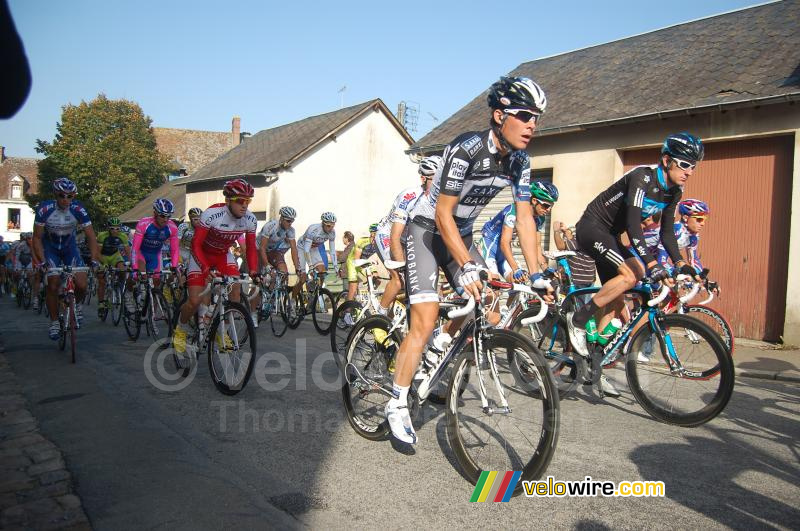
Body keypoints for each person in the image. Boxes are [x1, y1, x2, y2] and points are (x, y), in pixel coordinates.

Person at [385, 76, 548, 444]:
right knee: (424, 320)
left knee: (489, 304)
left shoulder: (520, 161)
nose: (532, 124)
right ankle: (396, 402)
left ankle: (441, 349)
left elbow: (525, 219)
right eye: (524, 115)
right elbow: (443, 215)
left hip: (462, 233)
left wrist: (537, 273)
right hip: (427, 231)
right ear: (499, 115)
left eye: (537, 117)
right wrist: (469, 263)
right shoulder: (467, 149)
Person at [568, 133, 705, 392]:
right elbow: (633, 225)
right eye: (684, 164)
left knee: (620, 296)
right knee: (634, 274)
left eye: (693, 166)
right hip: (592, 228)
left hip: (610, 235)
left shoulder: (675, 191)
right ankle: (577, 319)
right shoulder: (642, 177)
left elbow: (666, 232)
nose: (689, 171)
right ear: (667, 160)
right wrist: (653, 263)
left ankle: (593, 360)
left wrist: (679, 264)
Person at [172, 179, 259, 362]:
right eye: (240, 201)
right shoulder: (212, 214)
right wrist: (205, 267)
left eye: (248, 201)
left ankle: (222, 332)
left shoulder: (250, 219)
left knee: (235, 291)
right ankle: (180, 328)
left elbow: (251, 248)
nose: (245, 205)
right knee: (195, 300)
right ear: (228, 200)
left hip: (222, 256)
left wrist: (254, 271)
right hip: (201, 256)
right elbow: (196, 245)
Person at [372, 156, 440, 316]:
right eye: (434, 180)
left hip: (409, 240)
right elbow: (395, 236)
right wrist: (402, 266)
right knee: (399, 279)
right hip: (387, 235)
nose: (438, 185)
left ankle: (397, 316)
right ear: (423, 178)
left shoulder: (439, 200)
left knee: (420, 285)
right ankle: (378, 317)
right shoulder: (410, 196)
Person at [32, 178, 100, 338]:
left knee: (82, 285)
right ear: (56, 194)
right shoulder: (44, 209)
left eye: (70, 196)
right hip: (51, 249)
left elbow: (91, 237)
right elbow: (36, 238)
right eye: (62, 195)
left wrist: (95, 259)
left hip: (70, 249)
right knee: (53, 284)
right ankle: (55, 322)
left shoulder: (78, 209)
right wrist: (41, 261)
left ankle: (75, 306)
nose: (66, 200)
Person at [479, 180, 558, 284]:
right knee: (494, 284)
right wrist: (516, 269)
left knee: (519, 281)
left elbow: (536, 246)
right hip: (490, 244)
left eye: (551, 207)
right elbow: (504, 243)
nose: (548, 210)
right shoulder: (513, 211)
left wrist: (545, 268)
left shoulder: (539, 219)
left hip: (504, 250)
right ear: (534, 200)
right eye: (546, 205)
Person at [95, 217, 130, 315]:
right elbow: (97, 252)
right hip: (103, 256)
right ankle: (101, 303)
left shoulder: (123, 236)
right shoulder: (102, 236)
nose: (115, 231)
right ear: (108, 228)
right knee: (101, 279)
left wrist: (132, 262)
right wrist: (103, 264)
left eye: (117, 228)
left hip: (115, 256)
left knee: (123, 269)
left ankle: (120, 287)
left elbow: (128, 251)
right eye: (112, 228)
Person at [553, 222, 597, 289]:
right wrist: (566, 231)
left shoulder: (582, 241)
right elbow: (569, 241)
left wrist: (556, 231)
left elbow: (560, 246)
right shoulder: (591, 238)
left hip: (580, 280)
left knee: (578, 299)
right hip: (587, 279)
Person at [297, 212, 338, 277]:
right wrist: (310, 266)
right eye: (328, 226)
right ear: (323, 223)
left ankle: (316, 287)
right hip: (303, 247)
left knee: (321, 272)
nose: (330, 228)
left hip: (314, 248)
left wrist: (336, 267)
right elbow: (306, 250)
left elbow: (332, 251)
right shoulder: (313, 229)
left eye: (332, 226)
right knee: (303, 276)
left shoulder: (332, 232)